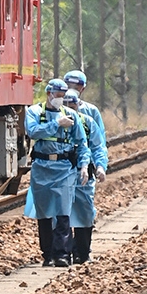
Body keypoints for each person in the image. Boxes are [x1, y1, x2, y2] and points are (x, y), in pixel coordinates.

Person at [24, 77, 91, 267]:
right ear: (48, 94)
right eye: (57, 95)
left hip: (64, 169)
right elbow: (33, 132)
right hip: (42, 168)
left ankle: (62, 254)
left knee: (63, 211)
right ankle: (48, 254)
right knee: (44, 213)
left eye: (63, 96)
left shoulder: (71, 115)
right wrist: (57, 124)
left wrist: (84, 166)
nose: (60, 99)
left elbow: (82, 143)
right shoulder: (34, 112)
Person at [63, 70, 109, 263]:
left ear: (82, 88)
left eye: (76, 85)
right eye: (69, 84)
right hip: (62, 168)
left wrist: (100, 166)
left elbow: (99, 143)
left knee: (84, 210)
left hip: (84, 169)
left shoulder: (91, 113)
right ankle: (62, 253)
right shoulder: (53, 111)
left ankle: (82, 253)